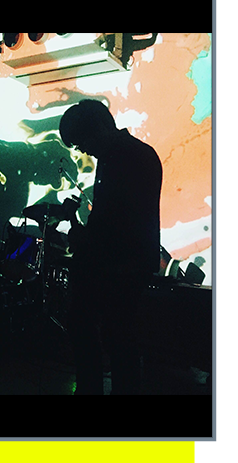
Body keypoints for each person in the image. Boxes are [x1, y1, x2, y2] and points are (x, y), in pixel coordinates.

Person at [59, 99, 163, 395]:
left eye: (82, 142)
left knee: (112, 335)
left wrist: (85, 238)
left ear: (98, 128)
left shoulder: (127, 158)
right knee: (116, 336)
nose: (83, 150)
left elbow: (121, 223)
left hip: (121, 267)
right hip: (122, 264)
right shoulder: (122, 156)